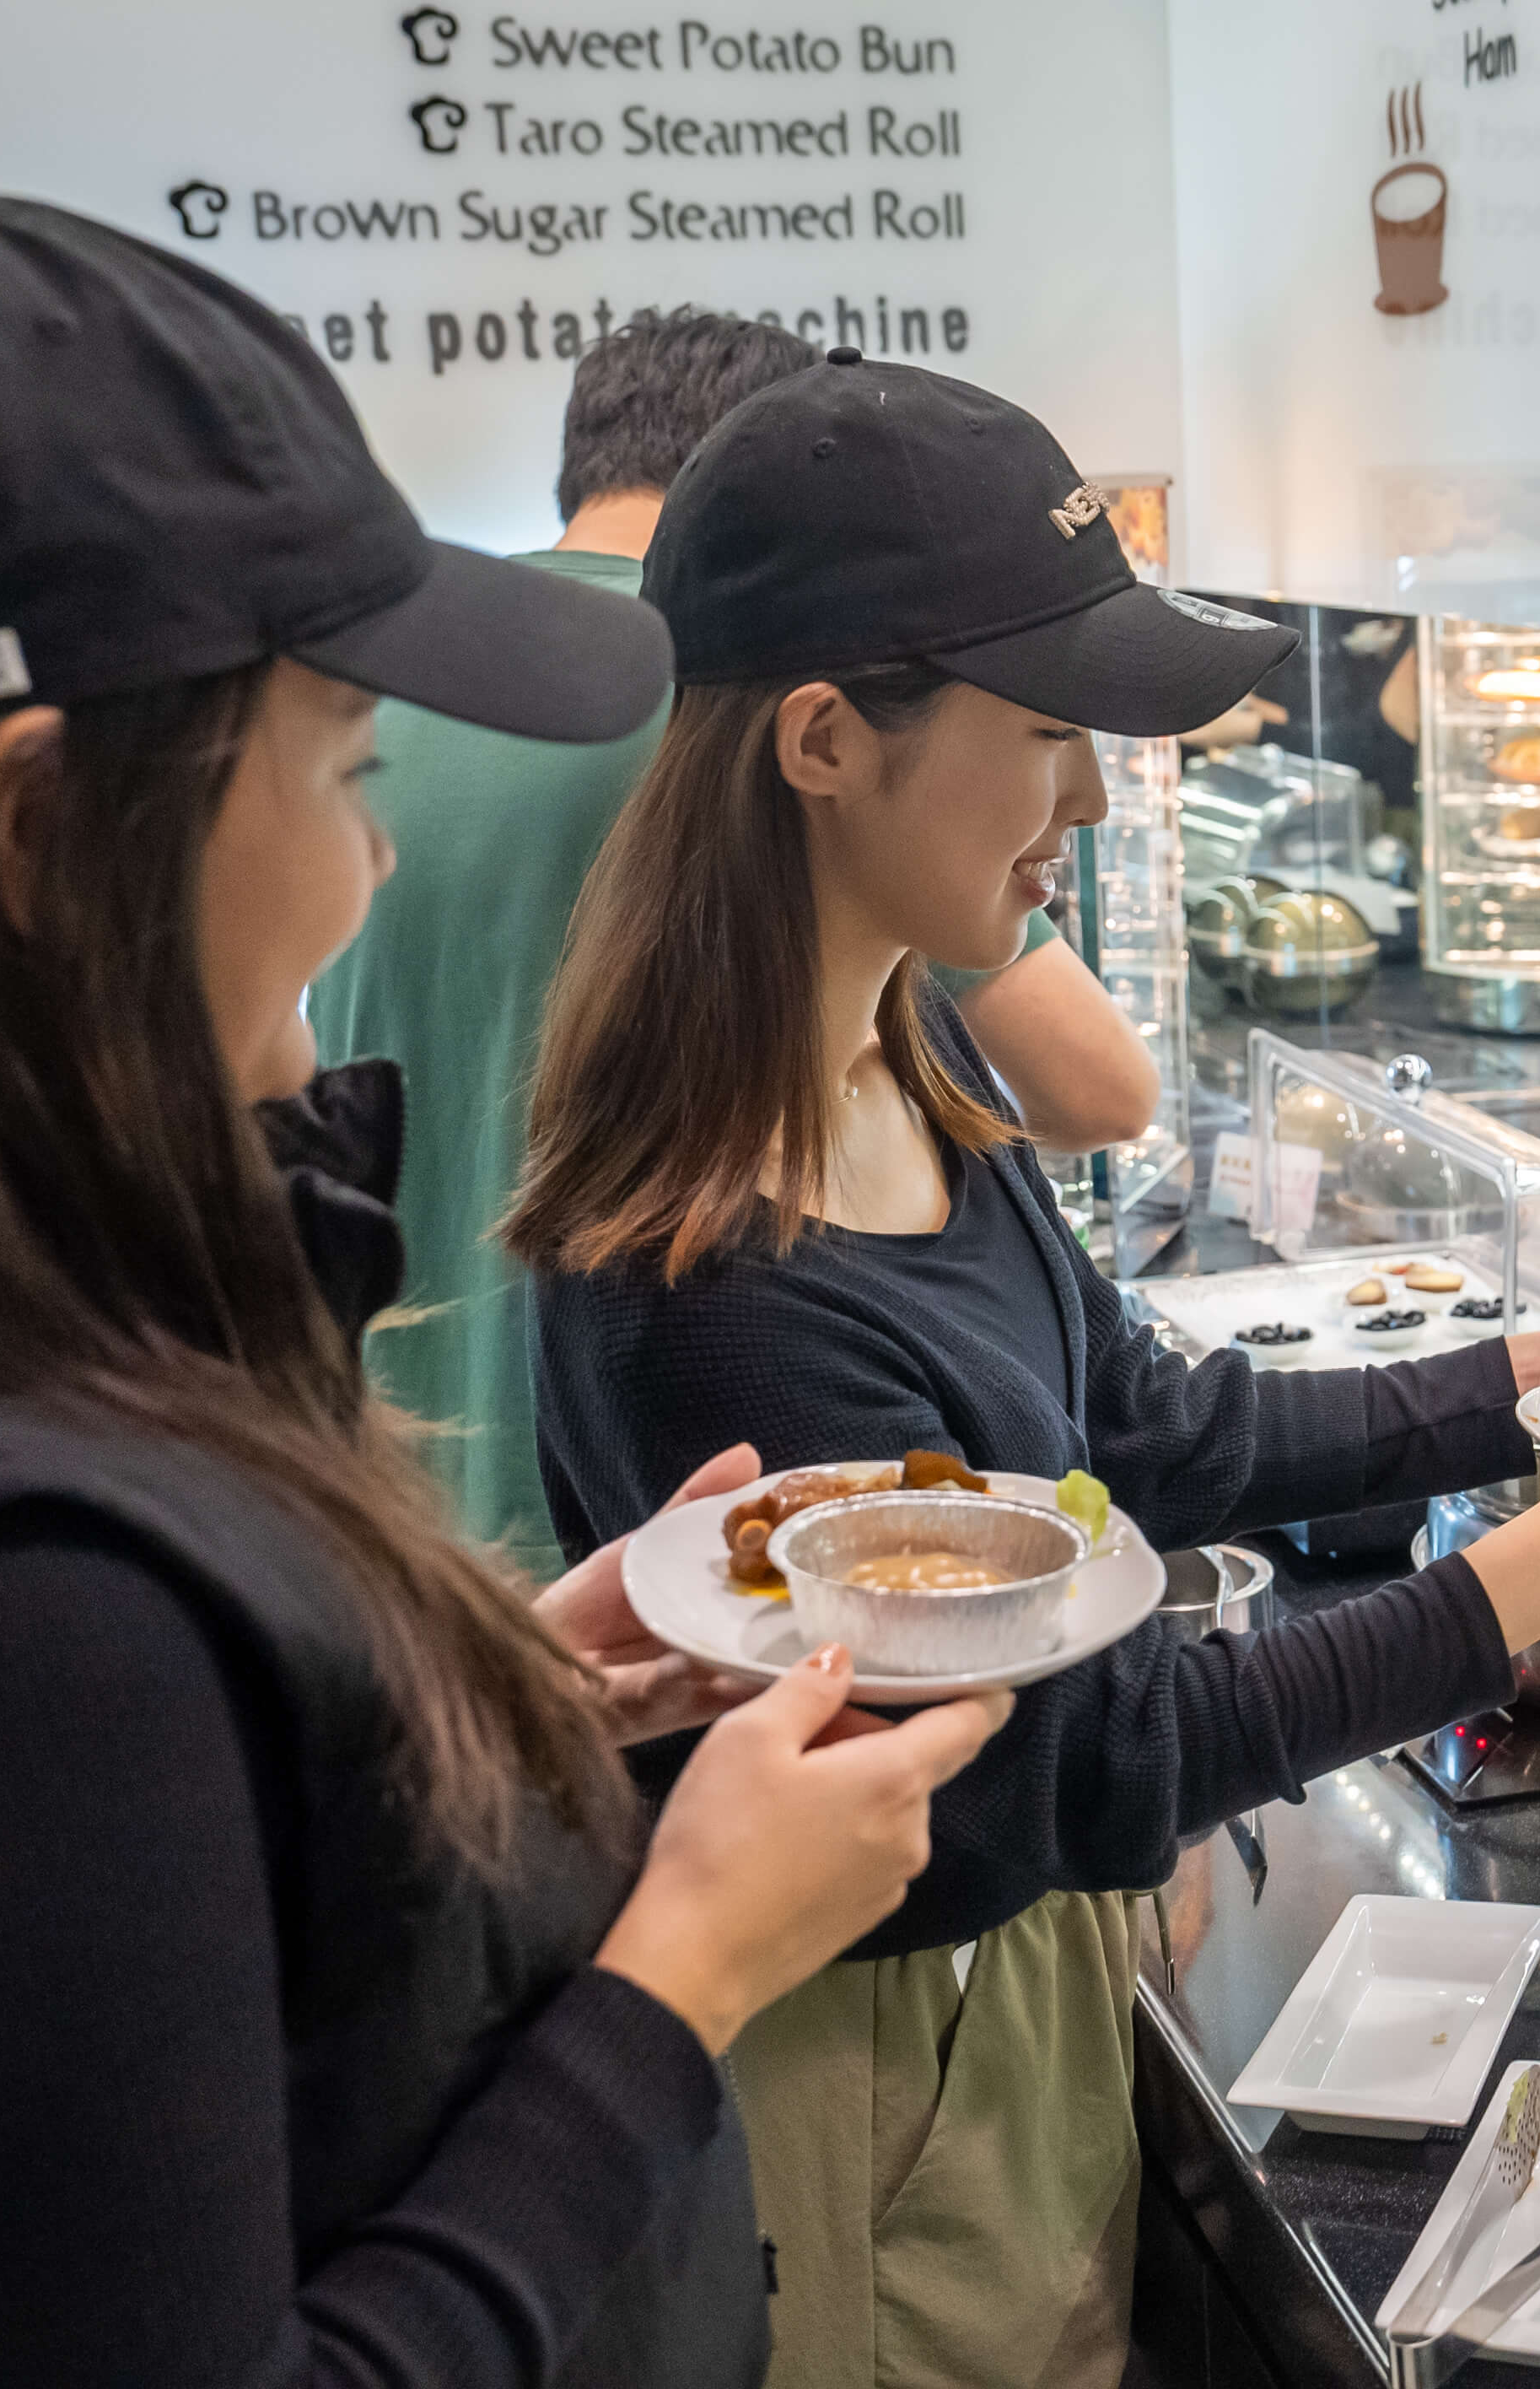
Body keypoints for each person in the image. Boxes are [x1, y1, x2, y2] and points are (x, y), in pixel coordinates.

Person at [0, 183, 1006, 2388]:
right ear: (41, 826)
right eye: (345, 768)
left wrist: (480, 1722)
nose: (371, 860)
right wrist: (682, 1973)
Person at [501, 356, 1540, 2389]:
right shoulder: (714, 1286)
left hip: (1006, 2008)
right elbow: (1078, 1757)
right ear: (827, 740)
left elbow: (1135, 1423)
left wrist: (1506, 1379)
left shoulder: (899, 1061)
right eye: (1042, 735)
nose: (1090, 802)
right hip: (869, 2073)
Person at [310, 309, 1156, 1579]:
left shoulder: (393, 698)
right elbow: (1105, 1088)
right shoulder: (750, 741)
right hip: (695, 1522)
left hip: (403, 1517)